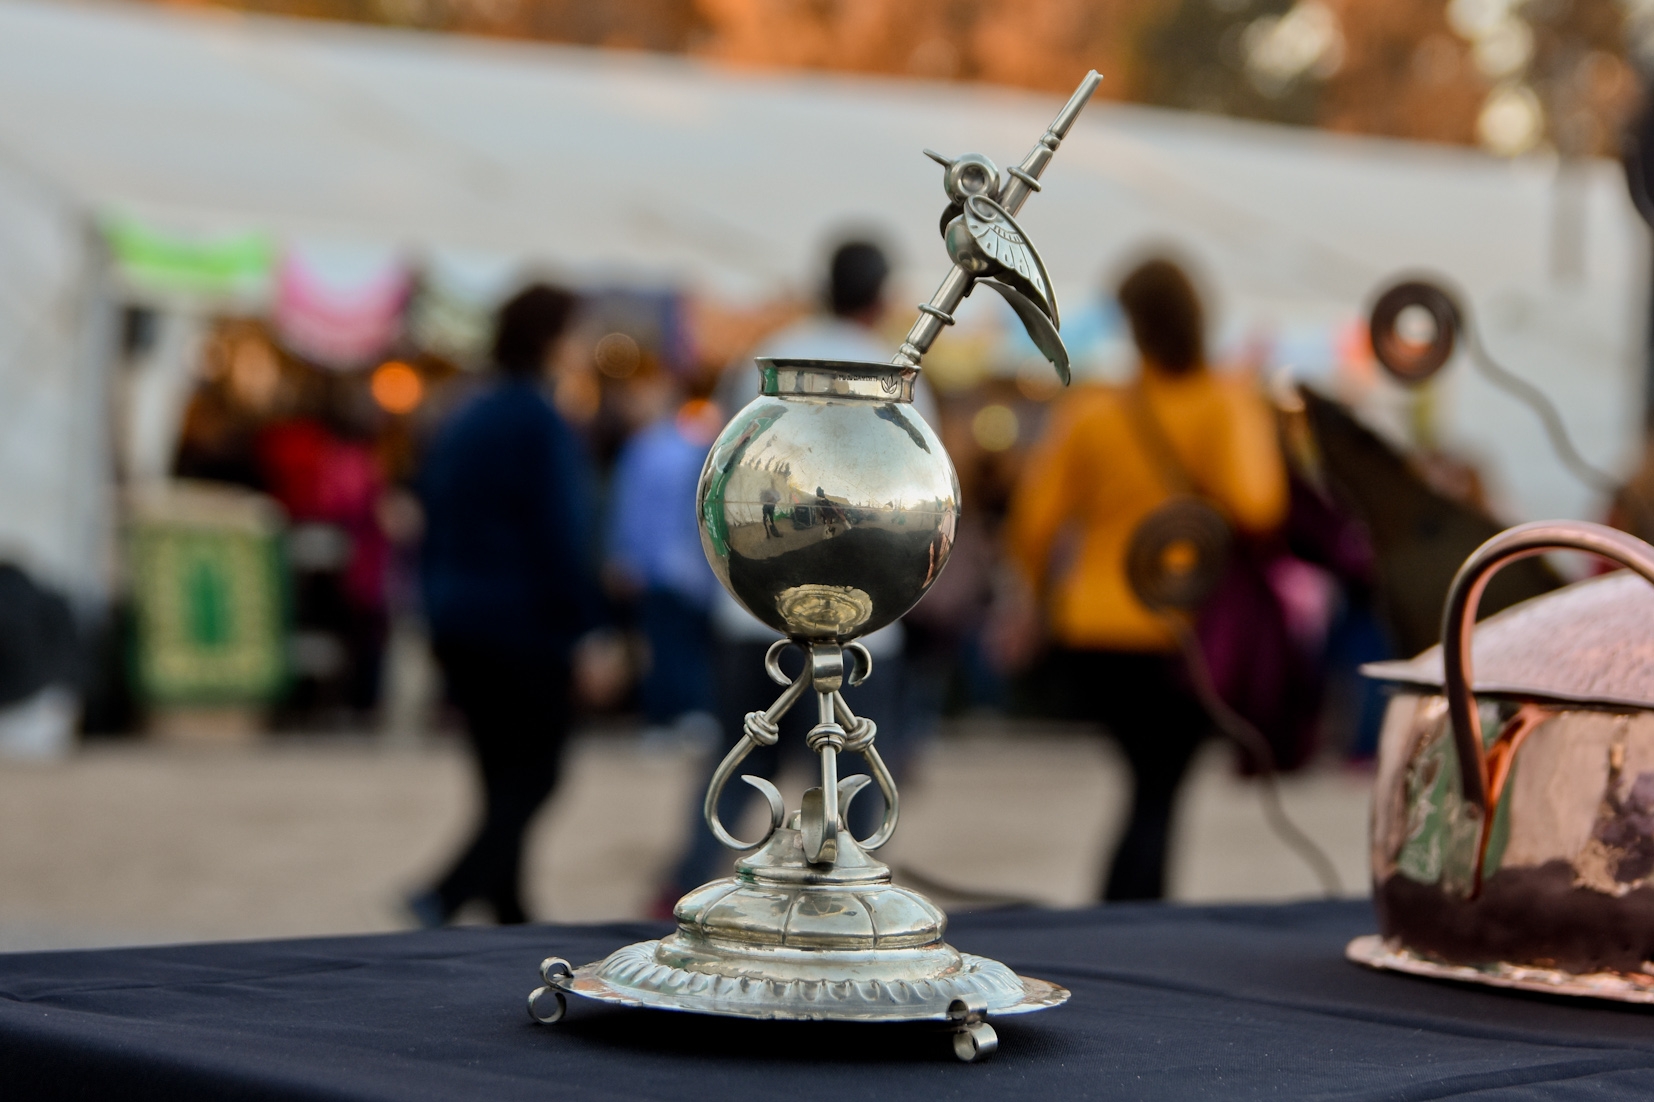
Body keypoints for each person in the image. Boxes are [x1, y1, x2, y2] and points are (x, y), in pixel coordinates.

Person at [999, 257, 1288, 902]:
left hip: (1095, 626)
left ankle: (1127, 914)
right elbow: (1259, 502)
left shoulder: (1095, 410)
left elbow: (1035, 522)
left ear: (1132, 324)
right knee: (1158, 786)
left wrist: (1029, 597)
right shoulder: (1225, 399)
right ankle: (1127, 918)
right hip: (1182, 626)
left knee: (1150, 783)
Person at [661, 240, 932, 904]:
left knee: (734, 765)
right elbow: (921, 504)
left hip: (751, 612)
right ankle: (843, 903)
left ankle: (685, 891)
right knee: (852, 789)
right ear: (878, 294)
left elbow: (720, 478)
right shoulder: (895, 375)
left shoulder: (767, 356)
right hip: (864, 631)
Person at [409, 283, 604, 926]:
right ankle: (445, 892)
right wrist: (583, 629)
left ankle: (510, 913)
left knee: (500, 775)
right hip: (520, 622)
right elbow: (558, 534)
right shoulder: (540, 420)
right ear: (551, 339)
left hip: (456, 613)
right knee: (539, 771)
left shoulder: (464, 412)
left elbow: (430, 515)